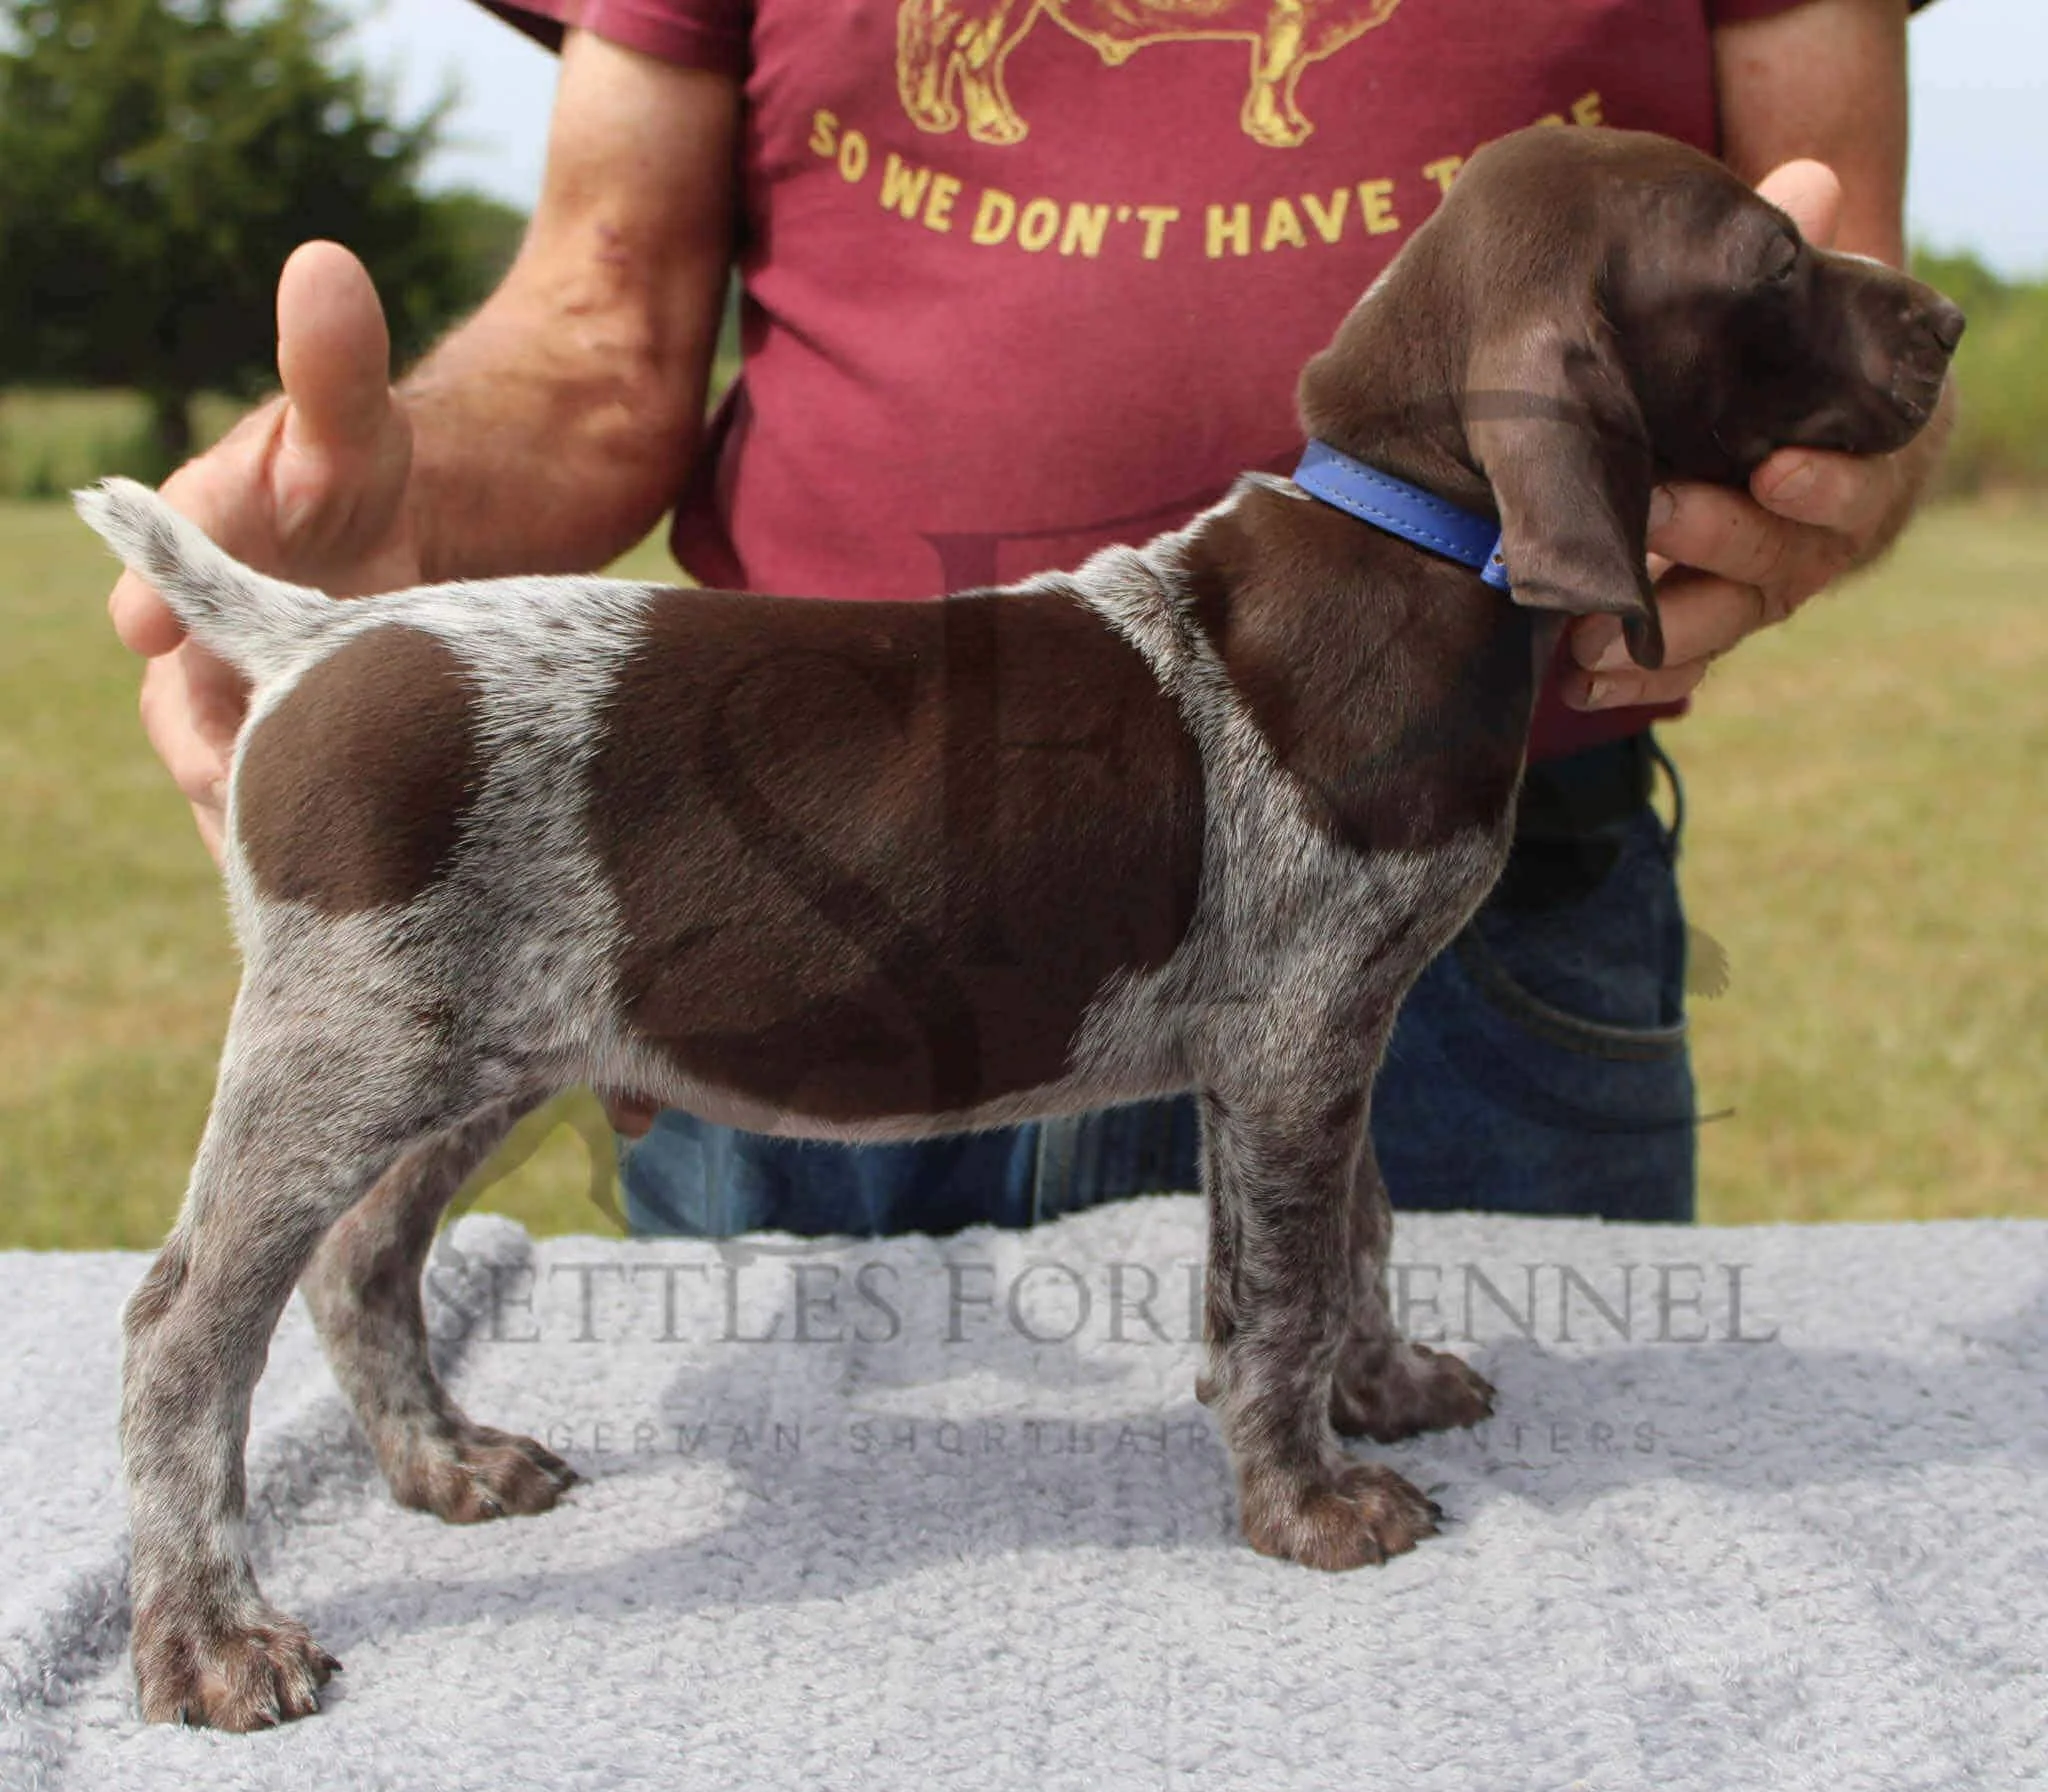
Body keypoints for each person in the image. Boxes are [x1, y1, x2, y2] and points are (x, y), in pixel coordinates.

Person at [109, 0, 1950, 1238]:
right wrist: (411, 494)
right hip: (783, 858)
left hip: (1470, 917)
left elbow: (1826, 288)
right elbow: (603, 330)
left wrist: (1808, 474)